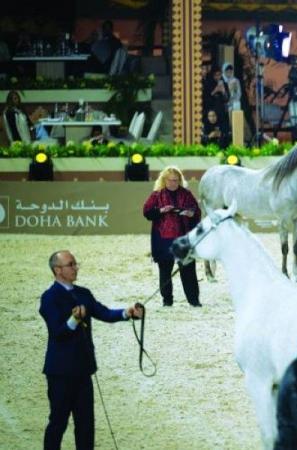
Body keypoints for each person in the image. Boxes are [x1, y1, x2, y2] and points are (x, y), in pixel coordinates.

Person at [40, 250, 144, 450]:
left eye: (75, 264)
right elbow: (57, 332)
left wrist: (126, 313)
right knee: (58, 423)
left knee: (86, 424)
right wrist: (74, 320)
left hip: (83, 369)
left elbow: (103, 312)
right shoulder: (49, 298)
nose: (75, 268)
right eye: (71, 264)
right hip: (60, 372)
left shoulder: (83, 293)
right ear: (57, 270)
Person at [142, 166, 202, 307]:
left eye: (176, 180)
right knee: (165, 270)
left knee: (188, 270)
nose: (174, 183)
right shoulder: (157, 195)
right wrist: (161, 210)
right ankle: (167, 301)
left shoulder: (186, 194)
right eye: (171, 180)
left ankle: (194, 301)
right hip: (163, 238)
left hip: (183, 238)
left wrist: (190, 213)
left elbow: (197, 212)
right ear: (164, 180)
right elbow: (147, 212)